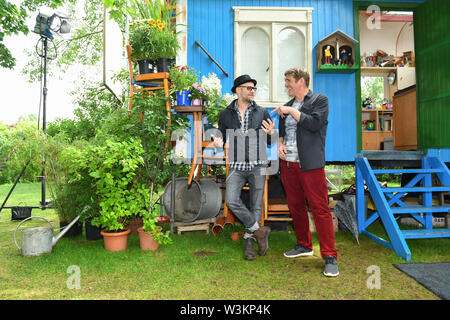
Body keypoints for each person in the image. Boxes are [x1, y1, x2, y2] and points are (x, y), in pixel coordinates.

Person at [272, 68, 339, 277]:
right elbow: (283, 133)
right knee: (296, 206)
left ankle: (329, 256)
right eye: (285, 81)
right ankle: (304, 245)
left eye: (288, 80)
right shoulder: (289, 106)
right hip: (288, 164)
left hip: (310, 164)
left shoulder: (319, 100)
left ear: (301, 81)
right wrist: (279, 145)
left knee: (320, 208)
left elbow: (314, 124)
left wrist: (291, 111)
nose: (286, 85)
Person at [211, 74, 276, 261]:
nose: (252, 91)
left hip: (258, 165)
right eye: (249, 88)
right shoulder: (225, 114)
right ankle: (259, 232)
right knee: (231, 200)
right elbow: (220, 137)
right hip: (236, 166)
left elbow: (270, 140)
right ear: (238, 90)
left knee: (255, 207)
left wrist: (271, 133)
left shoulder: (262, 112)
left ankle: (249, 244)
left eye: (254, 88)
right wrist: (217, 142)